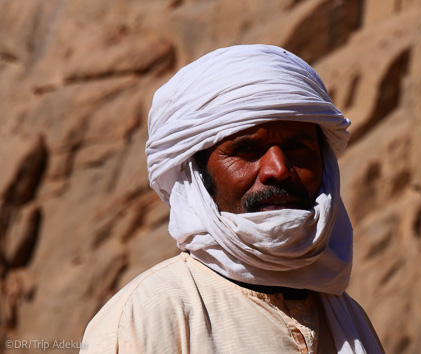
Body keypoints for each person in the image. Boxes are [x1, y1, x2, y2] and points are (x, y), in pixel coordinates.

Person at [80, 44, 383, 353]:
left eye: (297, 148)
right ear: (196, 172)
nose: (278, 169)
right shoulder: (147, 316)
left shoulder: (348, 317)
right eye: (247, 150)